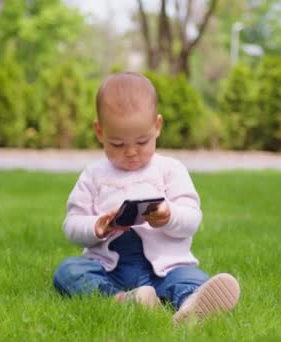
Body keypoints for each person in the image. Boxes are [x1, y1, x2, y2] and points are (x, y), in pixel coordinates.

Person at [53, 71, 241, 325]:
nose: (130, 152)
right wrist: (96, 226)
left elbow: (192, 218)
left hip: (166, 269)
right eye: (117, 144)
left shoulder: (170, 170)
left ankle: (191, 306)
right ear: (99, 131)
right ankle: (122, 300)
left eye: (142, 141)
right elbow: (71, 224)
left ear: (157, 127)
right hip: (110, 270)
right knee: (69, 271)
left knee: (191, 277)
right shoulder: (93, 175)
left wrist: (169, 215)